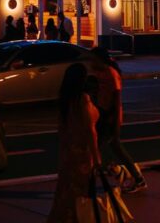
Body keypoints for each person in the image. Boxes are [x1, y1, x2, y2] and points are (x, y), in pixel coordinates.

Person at [47, 64, 101, 222]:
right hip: (82, 154)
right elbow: (90, 130)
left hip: (68, 152)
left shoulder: (65, 99)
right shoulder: (83, 99)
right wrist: (96, 154)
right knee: (81, 194)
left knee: (66, 192)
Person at [91, 48, 146, 193]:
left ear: (100, 59)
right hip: (102, 113)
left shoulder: (111, 73)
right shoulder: (97, 72)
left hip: (110, 115)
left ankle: (128, 174)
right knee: (109, 147)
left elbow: (116, 98)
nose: (91, 62)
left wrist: (115, 121)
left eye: (94, 59)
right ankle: (120, 171)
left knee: (103, 147)